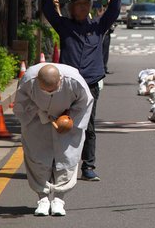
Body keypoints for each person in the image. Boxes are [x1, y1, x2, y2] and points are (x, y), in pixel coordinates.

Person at [43, 0, 121, 181]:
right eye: (79, 5)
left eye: (86, 4)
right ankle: (59, 162)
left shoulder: (98, 26)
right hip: (66, 84)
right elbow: (49, 10)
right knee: (62, 123)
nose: (83, 7)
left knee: (89, 125)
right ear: (71, 8)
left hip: (91, 83)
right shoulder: (64, 26)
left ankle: (88, 165)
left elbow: (113, 11)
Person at [13, 63, 94, 216]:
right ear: (37, 81)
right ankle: (42, 199)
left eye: (53, 89)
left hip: (67, 120)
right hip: (36, 120)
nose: (49, 93)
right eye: (45, 90)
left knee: (66, 158)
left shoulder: (74, 80)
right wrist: (40, 114)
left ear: (60, 81)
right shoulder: (29, 80)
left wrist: (70, 120)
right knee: (37, 158)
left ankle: (59, 199)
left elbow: (85, 103)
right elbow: (20, 106)